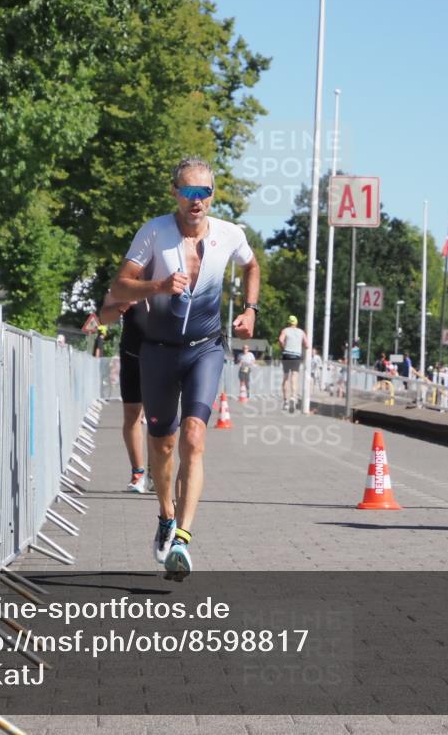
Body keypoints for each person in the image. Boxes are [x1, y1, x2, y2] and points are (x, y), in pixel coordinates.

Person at [110, 157, 260, 579]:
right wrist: (157, 286)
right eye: (189, 192)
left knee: (194, 435)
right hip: (158, 351)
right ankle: (165, 516)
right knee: (163, 445)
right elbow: (119, 286)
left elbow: (251, 265)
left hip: (204, 349)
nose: (197, 201)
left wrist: (250, 309)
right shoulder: (154, 232)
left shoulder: (229, 234)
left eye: (204, 192)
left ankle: (182, 540)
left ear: (213, 194)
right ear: (175, 192)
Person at [100, 294, 152, 494]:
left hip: (160, 357)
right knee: (132, 415)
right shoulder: (124, 285)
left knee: (158, 418)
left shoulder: (169, 280)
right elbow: (104, 317)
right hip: (131, 356)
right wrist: (122, 305)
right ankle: (138, 473)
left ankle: (155, 472)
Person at [278, 315, 309, 412]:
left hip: (286, 355)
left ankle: (286, 402)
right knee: (294, 378)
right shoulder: (301, 332)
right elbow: (307, 345)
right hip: (296, 356)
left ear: (288, 322)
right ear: (296, 323)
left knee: (285, 378)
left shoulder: (285, 330)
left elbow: (280, 340)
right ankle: (293, 397)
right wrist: (302, 346)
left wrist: (283, 347)